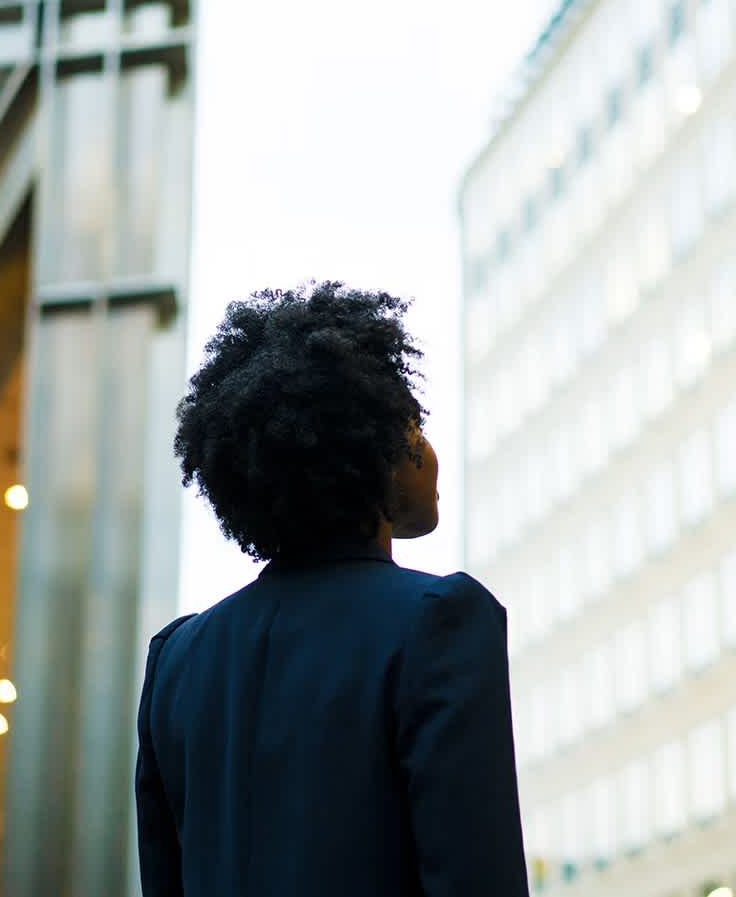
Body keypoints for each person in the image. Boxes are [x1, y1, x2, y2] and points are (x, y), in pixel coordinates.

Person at [136, 282, 530, 897]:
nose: (428, 451)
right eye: (413, 426)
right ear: (372, 449)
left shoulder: (177, 661)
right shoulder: (440, 621)